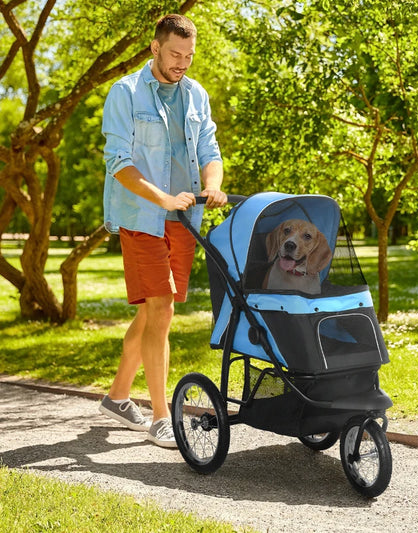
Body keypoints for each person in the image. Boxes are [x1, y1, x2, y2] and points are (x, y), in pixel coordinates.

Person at [99, 14, 226, 448]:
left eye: (189, 56)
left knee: (154, 309)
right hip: (142, 218)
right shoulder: (126, 93)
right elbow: (118, 163)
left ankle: (117, 397)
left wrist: (212, 185)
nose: (182, 64)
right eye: (175, 54)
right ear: (155, 48)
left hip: (184, 221)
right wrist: (165, 199)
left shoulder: (195, 95)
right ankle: (159, 417)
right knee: (163, 311)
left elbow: (209, 148)